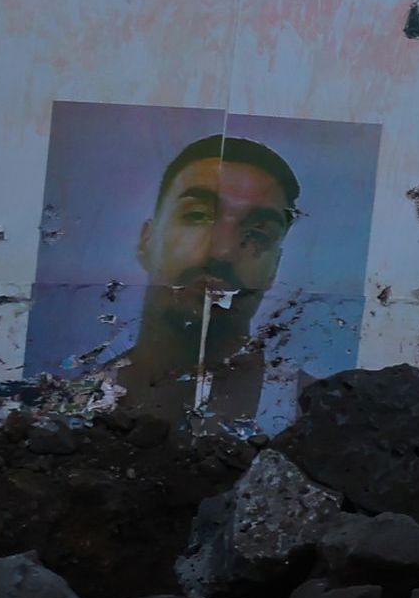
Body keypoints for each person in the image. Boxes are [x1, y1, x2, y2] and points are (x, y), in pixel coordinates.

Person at [78, 135, 304, 425]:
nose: (222, 251)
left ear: (274, 269)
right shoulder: (71, 406)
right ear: (148, 240)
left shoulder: (314, 412)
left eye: (259, 233)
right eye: (198, 215)